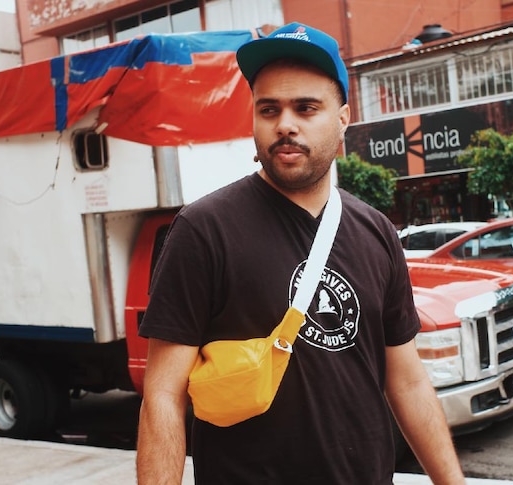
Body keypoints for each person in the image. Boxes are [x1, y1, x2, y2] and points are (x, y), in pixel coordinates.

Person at [136, 22, 465, 485]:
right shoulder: (203, 230)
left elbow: (406, 380)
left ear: (343, 118)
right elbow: (164, 395)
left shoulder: (376, 232)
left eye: (306, 108)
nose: (285, 124)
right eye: (268, 109)